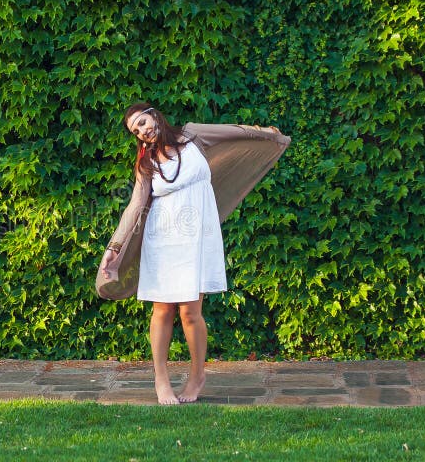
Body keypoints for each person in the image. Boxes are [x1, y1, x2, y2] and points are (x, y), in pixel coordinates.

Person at [99, 102, 288, 405]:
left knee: (190, 312)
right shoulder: (146, 163)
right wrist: (115, 248)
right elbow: (135, 206)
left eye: (143, 122)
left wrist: (263, 132)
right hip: (162, 238)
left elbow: (232, 133)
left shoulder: (193, 136)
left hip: (196, 237)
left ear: (154, 114)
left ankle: (197, 376)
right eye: (137, 130)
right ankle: (161, 380)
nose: (143, 130)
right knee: (162, 309)